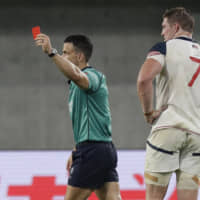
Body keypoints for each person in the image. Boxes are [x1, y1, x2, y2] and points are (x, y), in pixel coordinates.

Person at [34, 34, 121, 200]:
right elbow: (88, 122)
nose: (62, 56)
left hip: (93, 151)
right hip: (102, 150)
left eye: (66, 53)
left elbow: (78, 76)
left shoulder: (93, 76)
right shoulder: (75, 85)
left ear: (79, 56)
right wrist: (76, 149)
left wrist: (52, 53)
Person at [137, 7, 200, 200]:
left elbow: (144, 79)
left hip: (168, 128)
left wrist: (148, 113)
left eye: (164, 27)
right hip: (197, 136)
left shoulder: (164, 47)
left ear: (176, 27)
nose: (162, 32)